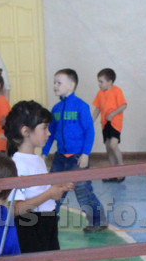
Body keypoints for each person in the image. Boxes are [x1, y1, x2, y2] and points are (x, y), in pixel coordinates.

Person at [6, 101, 75, 261]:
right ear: (26, 131)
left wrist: (56, 188)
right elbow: (16, 208)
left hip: (46, 224)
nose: (48, 133)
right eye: (44, 128)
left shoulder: (37, 159)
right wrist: (49, 193)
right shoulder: (16, 164)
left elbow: (40, 193)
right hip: (30, 226)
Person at [43, 68, 107, 233]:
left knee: (83, 190)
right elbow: (50, 133)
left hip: (77, 157)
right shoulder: (56, 109)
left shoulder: (81, 106)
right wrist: (44, 152)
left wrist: (85, 154)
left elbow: (89, 131)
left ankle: (97, 220)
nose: (55, 86)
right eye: (54, 83)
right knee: (54, 189)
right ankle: (50, 221)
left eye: (59, 83)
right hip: (60, 157)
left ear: (71, 85)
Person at [91, 68, 128, 181]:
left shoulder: (117, 91)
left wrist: (113, 114)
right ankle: (113, 172)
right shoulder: (100, 94)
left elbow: (123, 105)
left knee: (113, 144)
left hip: (115, 123)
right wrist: (91, 122)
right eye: (98, 81)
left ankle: (121, 168)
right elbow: (97, 109)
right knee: (108, 147)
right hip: (105, 123)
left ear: (110, 82)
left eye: (101, 81)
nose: (99, 84)